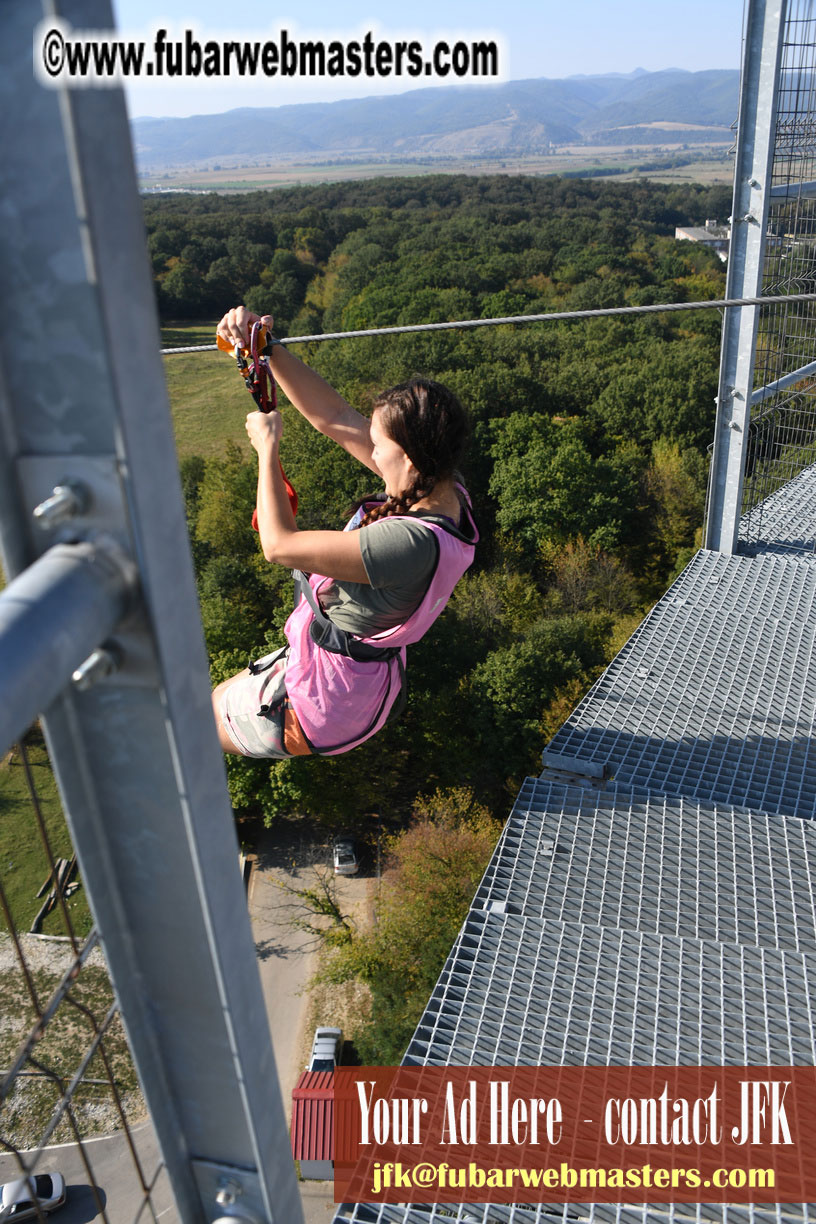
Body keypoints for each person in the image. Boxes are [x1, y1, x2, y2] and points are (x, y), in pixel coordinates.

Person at [211, 305, 479, 759]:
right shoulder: (444, 489)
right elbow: (333, 416)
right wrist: (268, 350)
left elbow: (278, 546)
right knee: (214, 696)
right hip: (345, 677)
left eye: (378, 446)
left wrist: (266, 449)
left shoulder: (409, 544)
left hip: (323, 704)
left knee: (200, 718)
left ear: (409, 459)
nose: (370, 450)